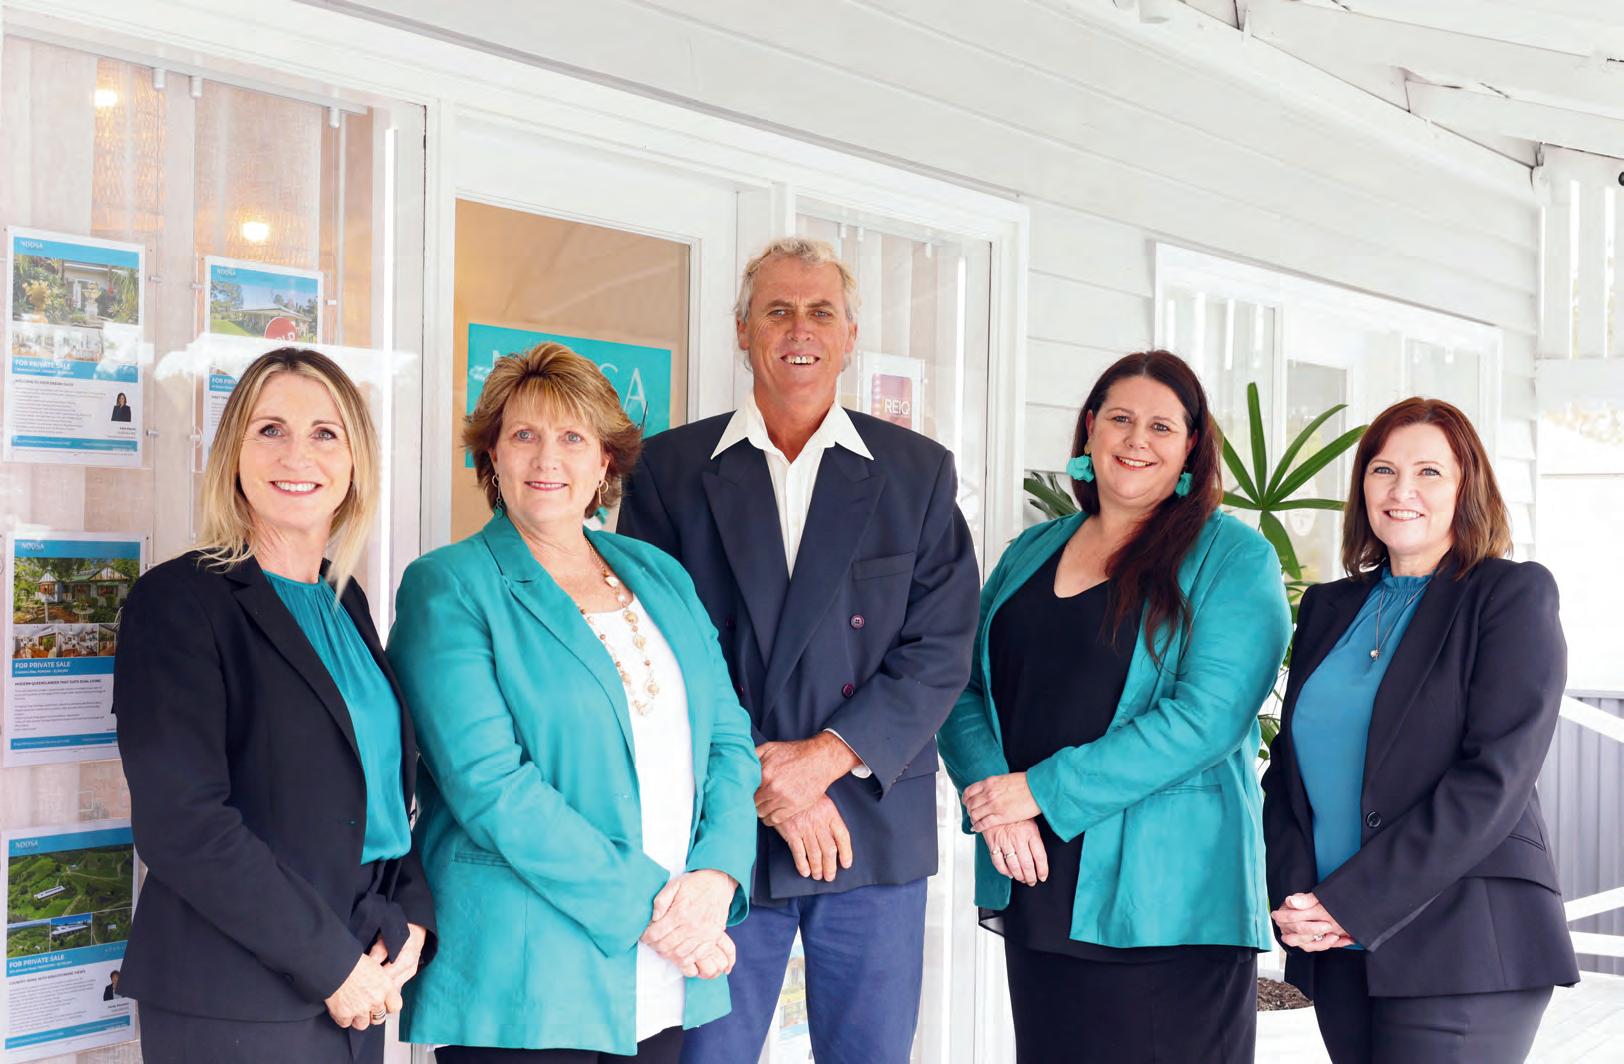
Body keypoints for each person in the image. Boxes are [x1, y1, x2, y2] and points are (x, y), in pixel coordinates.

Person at [618, 237, 980, 1064]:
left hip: (870, 823)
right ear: (742, 330)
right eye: (777, 310)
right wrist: (765, 781)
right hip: (720, 826)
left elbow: (940, 647)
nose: (799, 329)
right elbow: (657, 650)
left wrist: (823, 760)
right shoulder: (670, 470)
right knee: (703, 1057)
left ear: (850, 336)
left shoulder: (917, 473)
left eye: (821, 312)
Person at [389, 343, 760, 1063]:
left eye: (572, 438)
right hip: (529, 973)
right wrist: (658, 911)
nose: (546, 459)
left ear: (605, 462)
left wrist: (717, 876)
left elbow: (726, 740)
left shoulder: (660, 573)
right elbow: (491, 787)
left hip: (666, 964)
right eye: (524, 435)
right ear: (492, 455)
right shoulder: (450, 585)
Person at [937, 350, 1291, 1063]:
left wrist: (1038, 791)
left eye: (1162, 426)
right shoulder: (1031, 550)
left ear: (1191, 446)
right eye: (1120, 419)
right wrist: (997, 800)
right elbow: (958, 684)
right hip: (1035, 875)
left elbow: (1208, 719)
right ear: (1090, 429)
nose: (1137, 440)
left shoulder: (1233, 558)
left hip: (1167, 902)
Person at [113, 347, 435, 1064]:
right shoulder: (178, 602)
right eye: (270, 430)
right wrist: (333, 966)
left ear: (355, 462)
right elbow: (183, 824)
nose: (298, 455)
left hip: (358, 973)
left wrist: (412, 920)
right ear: (234, 454)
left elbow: (382, 792)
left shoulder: (343, 600)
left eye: (325, 433)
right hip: (239, 996)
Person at [1261, 397, 1578, 1063]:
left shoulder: (1509, 595)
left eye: (1429, 472)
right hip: (1336, 941)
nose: (1401, 490)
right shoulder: (1327, 606)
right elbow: (1287, 771)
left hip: (1463, 942)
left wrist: (1352, 902)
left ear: (1467, 488)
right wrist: (1296, 899)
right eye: (1383, 470)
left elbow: (1493, 780)